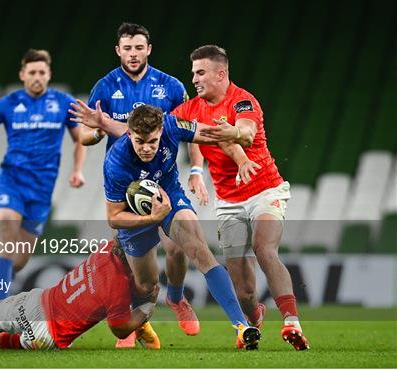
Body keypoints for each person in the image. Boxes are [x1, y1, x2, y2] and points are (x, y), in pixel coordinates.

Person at [70, 103, 262, 349]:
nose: (147, 148)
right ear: (129, 134)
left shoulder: (172, 125)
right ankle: (140, 325)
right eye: (140, 141)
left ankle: (241, 327)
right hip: (134, 214)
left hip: (170, 196)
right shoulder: (115, 162)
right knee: (146, 285)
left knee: (200, 252)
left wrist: (236, 137)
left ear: (162, 130)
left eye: (153, 141)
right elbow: (114, 217)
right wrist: (151, 219)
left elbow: (209, 134)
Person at [172, 45, 310, 350]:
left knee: (265, 248)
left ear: (221, 74)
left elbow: (246, 133)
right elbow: (175, 129)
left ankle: (291, 322)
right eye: (193, 72)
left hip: (265, 190)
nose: (194, 78)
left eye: (200, 72)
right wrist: (196, 169)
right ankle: (254, 317)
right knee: (245, 290)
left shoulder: (243, 101)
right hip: (229, 203)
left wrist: (231, 137)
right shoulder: (191, 108)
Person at [79, 22, 205, 346]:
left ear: (148, 49)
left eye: (139, 48)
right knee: (131, 264)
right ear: (118, 50)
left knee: (178, 246)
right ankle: (135, 323)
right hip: (124, 184)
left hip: (163, 179)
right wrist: (97, 131)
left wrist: (196, 170)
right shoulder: (105, 88)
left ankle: (176, 298)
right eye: (127, 48)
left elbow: (190, 130)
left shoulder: (172, 87)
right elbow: (84, 133)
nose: (133, 54)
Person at [0, 49, 86, 301]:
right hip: (12, 181)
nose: (37, 77)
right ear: (23, 75)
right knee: (9, 236)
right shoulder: (7, 104)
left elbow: (79, 140)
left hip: (42, 189)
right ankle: (0, 309)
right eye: (32, 73)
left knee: (18, 261)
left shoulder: (64, 103)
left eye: (42, 72)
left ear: (49, 74)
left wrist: (77, 171)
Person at [0, 240, 161, 351]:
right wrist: (147, 307)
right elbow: (119, 329)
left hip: (39, 302)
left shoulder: (105, 249)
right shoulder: (118, 289)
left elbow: (122, 232)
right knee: (14, 342)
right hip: (49, 336)